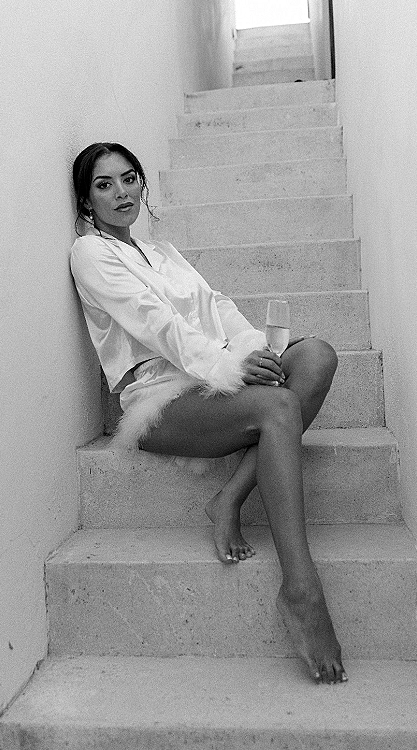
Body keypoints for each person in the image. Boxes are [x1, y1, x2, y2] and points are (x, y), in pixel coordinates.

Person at [70, 141, 347, 685]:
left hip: (212, 376)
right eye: (104, 185)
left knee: (315, 356)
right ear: (86, 200)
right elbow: (154, 323)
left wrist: (250, 354)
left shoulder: (163, 251)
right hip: (158, 397)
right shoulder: (90, 253)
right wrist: (229, 369)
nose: (121, 192)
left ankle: (230, 496)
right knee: (276, 403)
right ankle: (301, 586)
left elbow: (217, 307)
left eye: (129, 179)